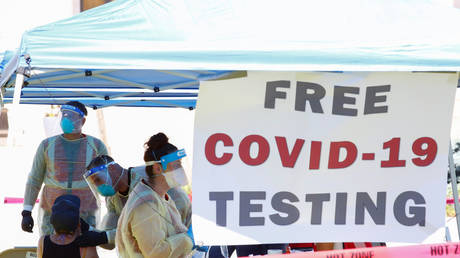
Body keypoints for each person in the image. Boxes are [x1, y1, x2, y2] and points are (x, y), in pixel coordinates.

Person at [21, 101, 108, 236]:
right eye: (64, 115)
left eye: (72, 116)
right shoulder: (46, 145)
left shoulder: (96, 146)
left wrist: (115, 211)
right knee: (52, 249)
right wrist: (26, 211)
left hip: (86, 214)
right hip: (51, 213)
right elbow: (34, 179)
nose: (66, 119)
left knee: (83, 252)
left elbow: (107, 179)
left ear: (83, 121)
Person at [81, 154, 191, 250]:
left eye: (98, 180)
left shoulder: (147, 178)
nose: (98, 186)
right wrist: (87, 229)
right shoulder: (112, 199)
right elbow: (110, 242)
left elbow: (147, 229)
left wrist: (104, 237)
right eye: (94, 184)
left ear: (112, 169)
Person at [115, 132, 194, 257]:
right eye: (177, 165)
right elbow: (156, 253)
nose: (180, 169)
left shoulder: (160, 196)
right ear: (158, 168)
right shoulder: (145, 204)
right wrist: (188, 240)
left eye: (181, 164)